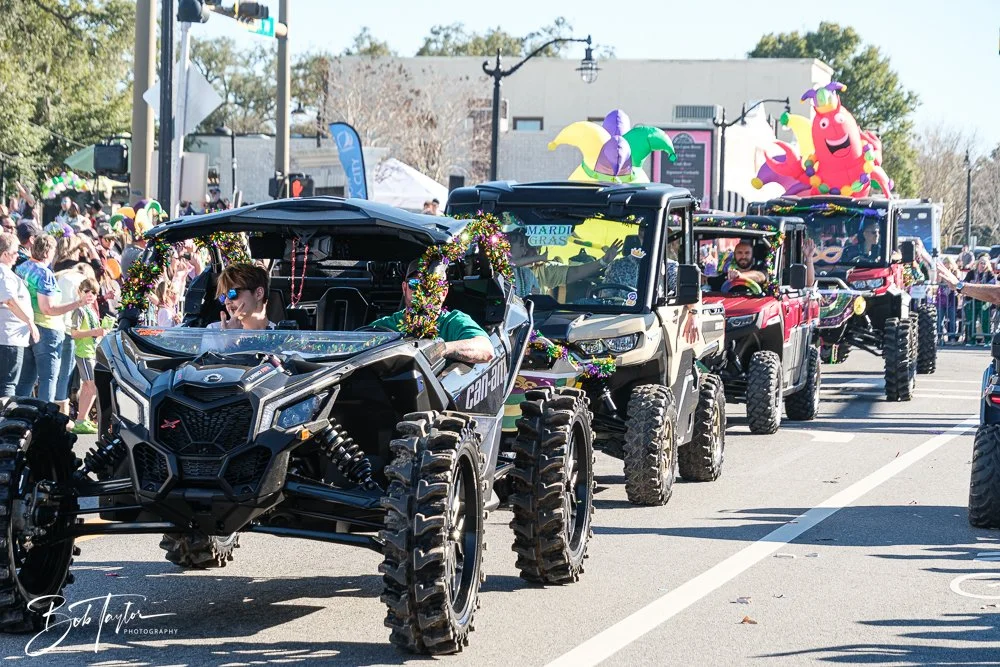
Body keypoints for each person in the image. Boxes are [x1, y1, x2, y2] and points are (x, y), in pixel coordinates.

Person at [15, 235, 93, 403]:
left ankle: (19, 421)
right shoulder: (44, 274)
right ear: (49, 251)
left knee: (25, 381)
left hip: (26, 328)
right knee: (47, 380)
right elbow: (48, 309)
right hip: (47, 330)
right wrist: (77, 303)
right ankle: (44, 423)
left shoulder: (21, 268)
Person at [369, 259, 494, 364]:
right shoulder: (383, 327)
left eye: (432, 285)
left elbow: (486, 349)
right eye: (415, 284)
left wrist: (438, 349)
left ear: (444, 292)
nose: (422, 292)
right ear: (404, 288)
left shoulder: (453, 322)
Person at [0, 233, 38, 397]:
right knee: (7, 385)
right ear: (5, 254)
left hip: (8, 337)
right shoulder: (4, 273)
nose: (18, 256)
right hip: (8, 338)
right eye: (15, 252)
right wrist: (30, 322)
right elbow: (10, 300)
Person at [69, 278, 107, 434]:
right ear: (79, 292)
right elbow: (74, 333)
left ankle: (82, 419)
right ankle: (81, 420)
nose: (90, 295)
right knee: (92, 386)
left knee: (88, 386)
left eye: (94, 292)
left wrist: (102, 331)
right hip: (84, 353)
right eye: (86, 291)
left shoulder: (91, 310)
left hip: (91, 351)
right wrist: (95, 332)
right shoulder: (79, 310)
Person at [209, 263, 274, 331]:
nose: (226, 302)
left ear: (258, 293)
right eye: (222, 297)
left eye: (232, 293)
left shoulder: (282, 337)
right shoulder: (213, 331)